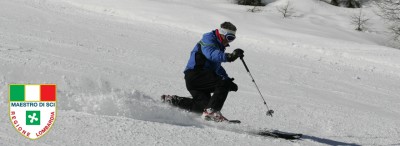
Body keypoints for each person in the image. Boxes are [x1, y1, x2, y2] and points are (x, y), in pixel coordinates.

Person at [162, 22, 244, 122]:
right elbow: (211, 54)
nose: (230, 41)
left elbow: (217, 68)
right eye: (230, 37)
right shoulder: (208, 40)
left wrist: (227, 80)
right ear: (222, 34)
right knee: (222, 84)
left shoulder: (218, 45)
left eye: (233, 39)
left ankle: (173, 101)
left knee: (202, 107)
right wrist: (229, 57)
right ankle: (212, 112)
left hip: (198, 80)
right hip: (196, 75)